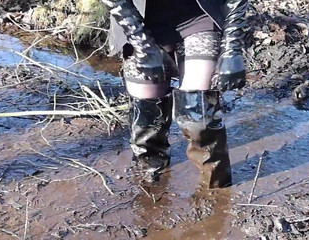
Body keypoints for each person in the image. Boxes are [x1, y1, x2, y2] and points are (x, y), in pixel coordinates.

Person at [101, 0, 247, 188]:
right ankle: (151, 188)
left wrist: (232, 49)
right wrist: (143, 45)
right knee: (146, 118)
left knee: (199, 114)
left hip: (199, 14)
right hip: (137, 18)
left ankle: (217, 191)